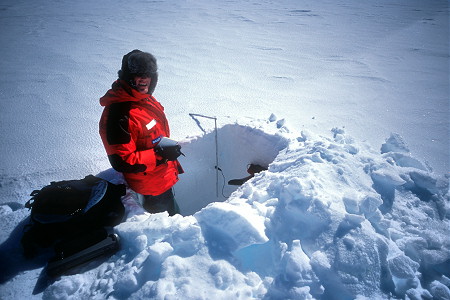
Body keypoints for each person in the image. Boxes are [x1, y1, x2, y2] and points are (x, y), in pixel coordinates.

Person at [99, 49, 183, 216]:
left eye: (148, 74)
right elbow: (122, 161)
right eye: (138, 74)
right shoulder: (119, 115)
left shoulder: (144, 98)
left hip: (163, 177)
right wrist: (161, 154)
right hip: (151, 185)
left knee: (176, 215)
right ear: (127, 77)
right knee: (170, 226)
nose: (144, 78)